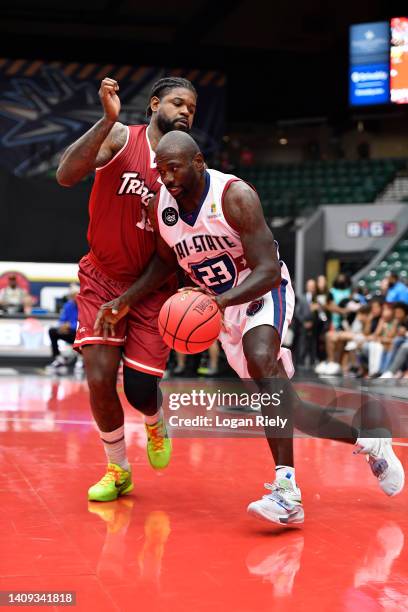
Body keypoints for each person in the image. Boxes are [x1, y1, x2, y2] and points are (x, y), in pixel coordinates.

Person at [95, 131, 404, 526]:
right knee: (288, 409)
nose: (167, 177)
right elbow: (164, 262)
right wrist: (127, 299)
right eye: (161, 170)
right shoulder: (163, 208)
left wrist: (219, 302)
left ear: (198, 163)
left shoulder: (234, 197)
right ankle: (369, 440)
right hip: (220, 307)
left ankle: (287, 493)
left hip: (260, 290)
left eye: (174, 168)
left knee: (262, 361)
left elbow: (268, 269)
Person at [56, 76, 197, 502]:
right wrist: (105, 120)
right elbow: (65, 175)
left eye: (192, 107)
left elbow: (168, 257)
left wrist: (128, 299)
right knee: (99, 379)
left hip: (151, 288)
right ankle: (118, 469)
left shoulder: (184, 175)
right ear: (155, 105)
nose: (186, 111)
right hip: (101, 277)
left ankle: (155, 420)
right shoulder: (119, 137)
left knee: (138, 391)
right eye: (178, 103)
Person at [46, 284, 79, 374]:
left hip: (81, 333)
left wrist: (70, 325)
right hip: (71, 333)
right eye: (72, 296)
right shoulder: (68, 305)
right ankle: (58, 358)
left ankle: (81, 361)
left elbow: (85, 321)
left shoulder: (84, 305)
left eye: (76, 295)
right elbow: (62, 320)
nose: (74, 298)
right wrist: (62, 326)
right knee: (52, 331)